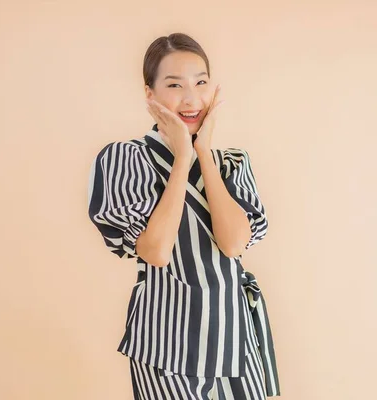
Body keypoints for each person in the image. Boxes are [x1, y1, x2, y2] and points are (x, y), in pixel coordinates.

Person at [87, 32, 280, 399]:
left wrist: (204, 153)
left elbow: (235, 243)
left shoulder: (231, 162)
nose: (191, 99)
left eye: (201, 83)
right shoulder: (125, 159)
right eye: (174, 85)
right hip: (165, 345)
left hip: (235, 339)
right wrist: (182, 159)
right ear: (150, 93)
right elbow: (156, 251)